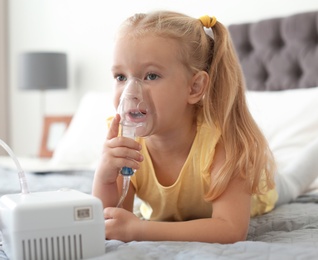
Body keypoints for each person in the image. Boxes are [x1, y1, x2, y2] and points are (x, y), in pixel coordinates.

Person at [92, 11, 318, 243]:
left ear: (194, 87)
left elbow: (230, 229)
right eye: (120, 77)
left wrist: (140, 230)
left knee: (293, 181)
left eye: (151, 75)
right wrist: (105, 176)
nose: (130, 92)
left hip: (259, 190)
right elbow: (112, 219)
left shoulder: (222, 142)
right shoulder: (125, 141)